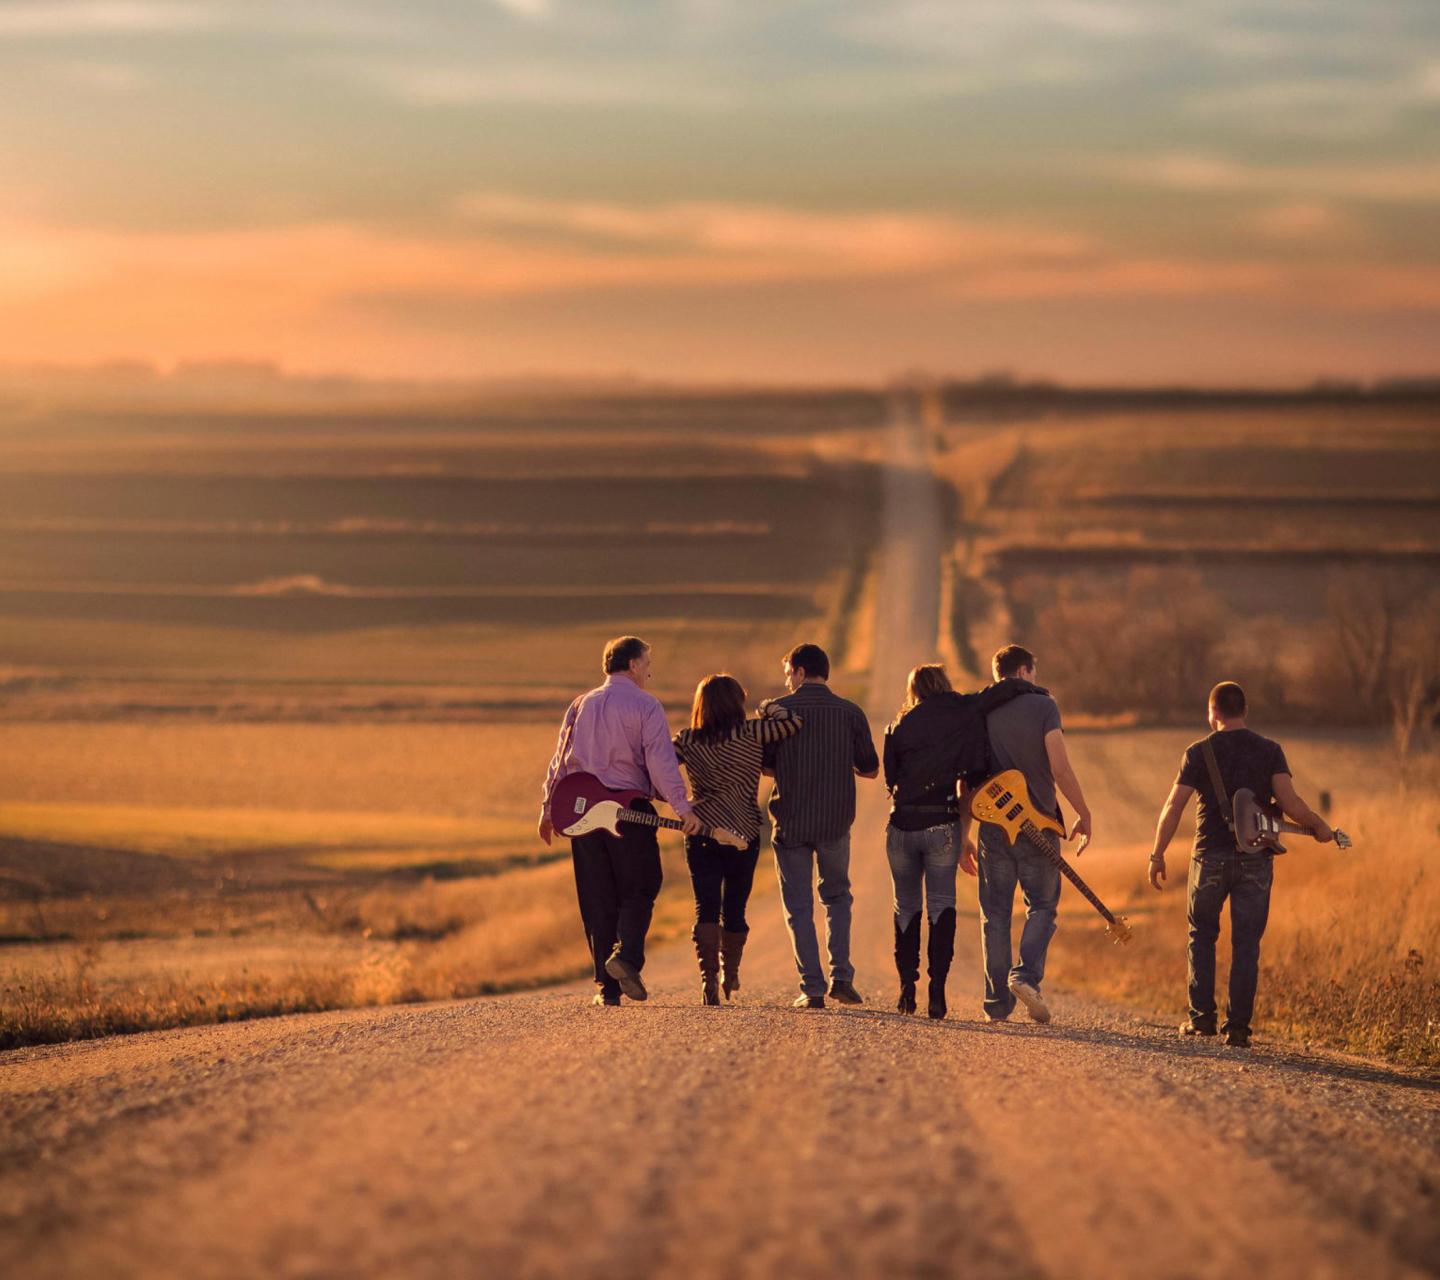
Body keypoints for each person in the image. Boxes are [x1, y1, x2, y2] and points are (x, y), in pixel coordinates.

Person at [1147, 681, 1333, 1048]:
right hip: (1255, 860)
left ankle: (1201, 1019)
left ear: (1212, 712)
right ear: (1244, 711)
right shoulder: (1270, 750)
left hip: (1209, 857)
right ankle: (1237, 1028)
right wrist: (1320, 825)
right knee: (1247, 943)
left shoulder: (1198, 752)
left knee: (1201, 935)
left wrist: (1157, 853)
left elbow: (1173, 806)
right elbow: (1291, 803)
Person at [540, 635, 701, 1006]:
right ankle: (626, 956)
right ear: (632, 665)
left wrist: (548, 810)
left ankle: (606, 989)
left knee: (597, 896)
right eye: (647, 663)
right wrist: (683, 808)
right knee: (642, 885)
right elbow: (661, 764)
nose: (650, 670)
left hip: (583, 816)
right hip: (629, 811)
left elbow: (560, 761)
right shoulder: (646, 705)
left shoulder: (580, 704)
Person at [883, 663, 1046, 1019]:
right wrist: (1033, 690)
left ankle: (906, 990)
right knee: (941, 905)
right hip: (940, 823)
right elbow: (999, 690)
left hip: (901, 825)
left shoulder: (897, 726)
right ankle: (937, 992)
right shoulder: (959, 709)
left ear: (914, 690)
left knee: (906, 907)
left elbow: (890, 780)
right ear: (943, 684)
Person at [976, 644, 1093, 1025]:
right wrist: (1083, 812)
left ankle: (997, 1004)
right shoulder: (1044, 707)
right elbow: (1059, 767)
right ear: (1025, 671)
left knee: (995, 915)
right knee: (1041, 906)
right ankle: (1025, 977)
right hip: (1038, 824)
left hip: (993, 826)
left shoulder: (982, 707)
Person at [762, 642, 879, 1009]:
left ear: (798, 672)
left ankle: (812, 988)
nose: (787, 682)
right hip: (834, 821)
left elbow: (765, 765)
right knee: (837, 898)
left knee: (798, 906)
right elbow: (871, 768)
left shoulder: (779, 713)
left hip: (792, 821)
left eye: (788, 674)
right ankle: (841, 976)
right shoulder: (850, 712)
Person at [673, 675, 802, 1005]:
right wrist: (766, 706)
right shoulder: (754, 731)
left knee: (706, 906)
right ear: (736, 703)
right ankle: (730, 972)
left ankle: (708, 979)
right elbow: (793, 722)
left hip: (701, 830)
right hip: (744, 830)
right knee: (735, 907)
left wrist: (681, 803)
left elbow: (659, 769)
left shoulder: (687, 739)